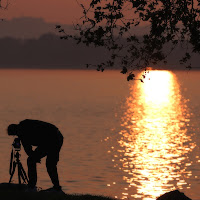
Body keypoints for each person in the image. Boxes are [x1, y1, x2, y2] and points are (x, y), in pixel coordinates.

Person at [7, 119, 64, 192]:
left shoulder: (23, 131)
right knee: (34, 160)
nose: (17, 136)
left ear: (16, 130)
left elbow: (29, 150)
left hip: (54, 138)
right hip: (50, 139)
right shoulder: (23, 128)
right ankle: (53, 187)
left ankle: (34, 187)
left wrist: (34, 156)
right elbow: (29, 151)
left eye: (15, 134)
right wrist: (35, 156)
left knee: (49, 164)